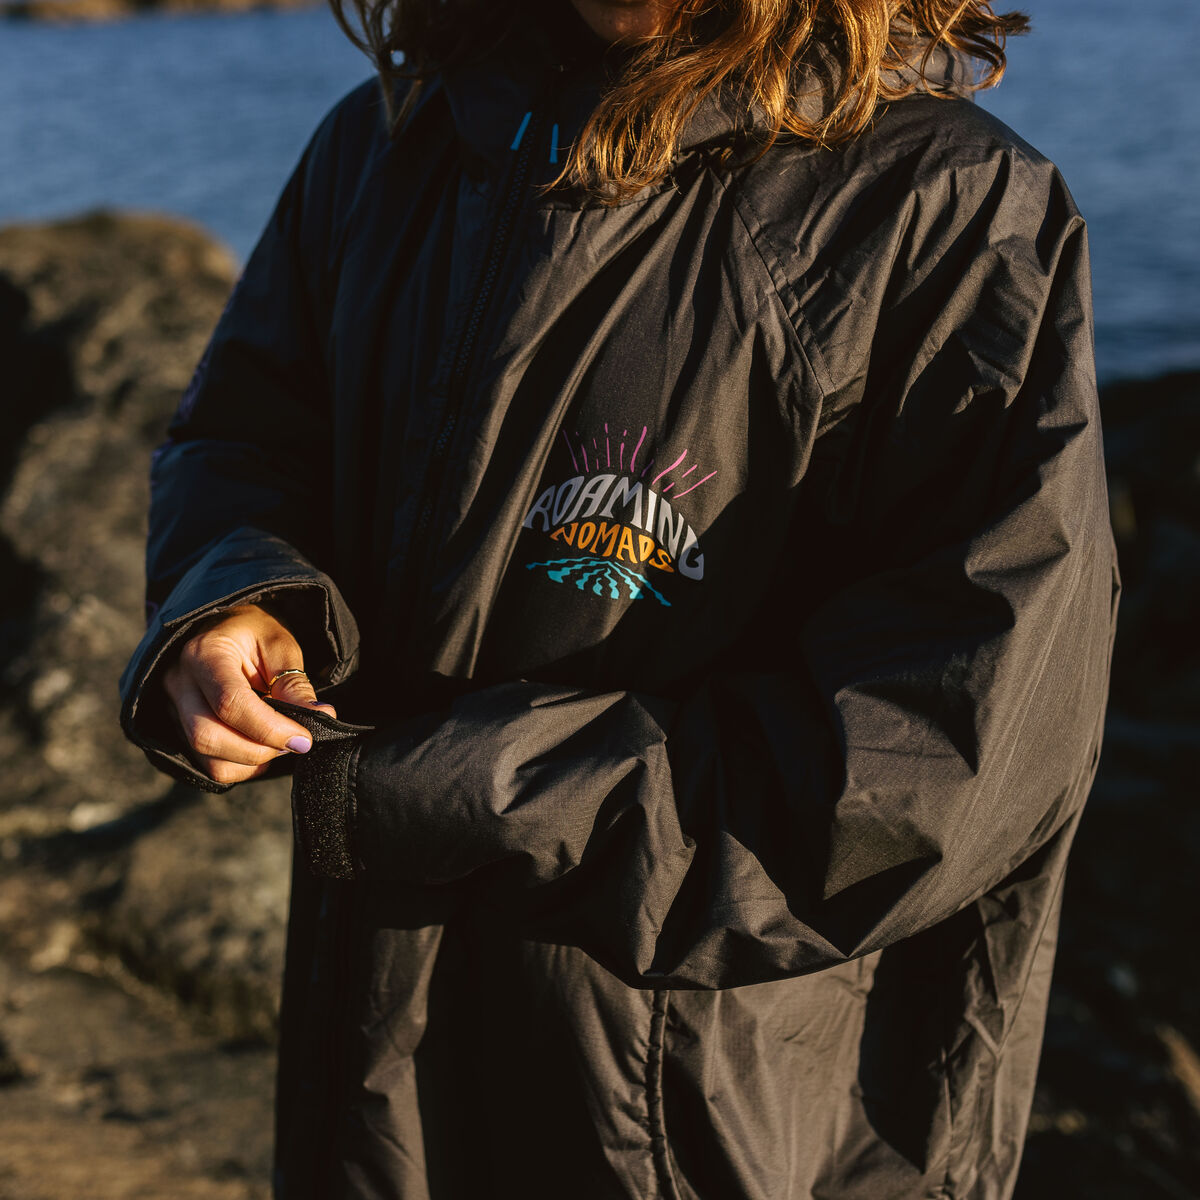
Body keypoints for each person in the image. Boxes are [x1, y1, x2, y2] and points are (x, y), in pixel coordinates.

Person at [119, 0, 1120, 1195]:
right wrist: (238, 597)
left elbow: (947, 757)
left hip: (718, 1113)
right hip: (372, 1073)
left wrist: (465, 794)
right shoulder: (391, 138)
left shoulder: (945, 207)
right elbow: (244, 434)